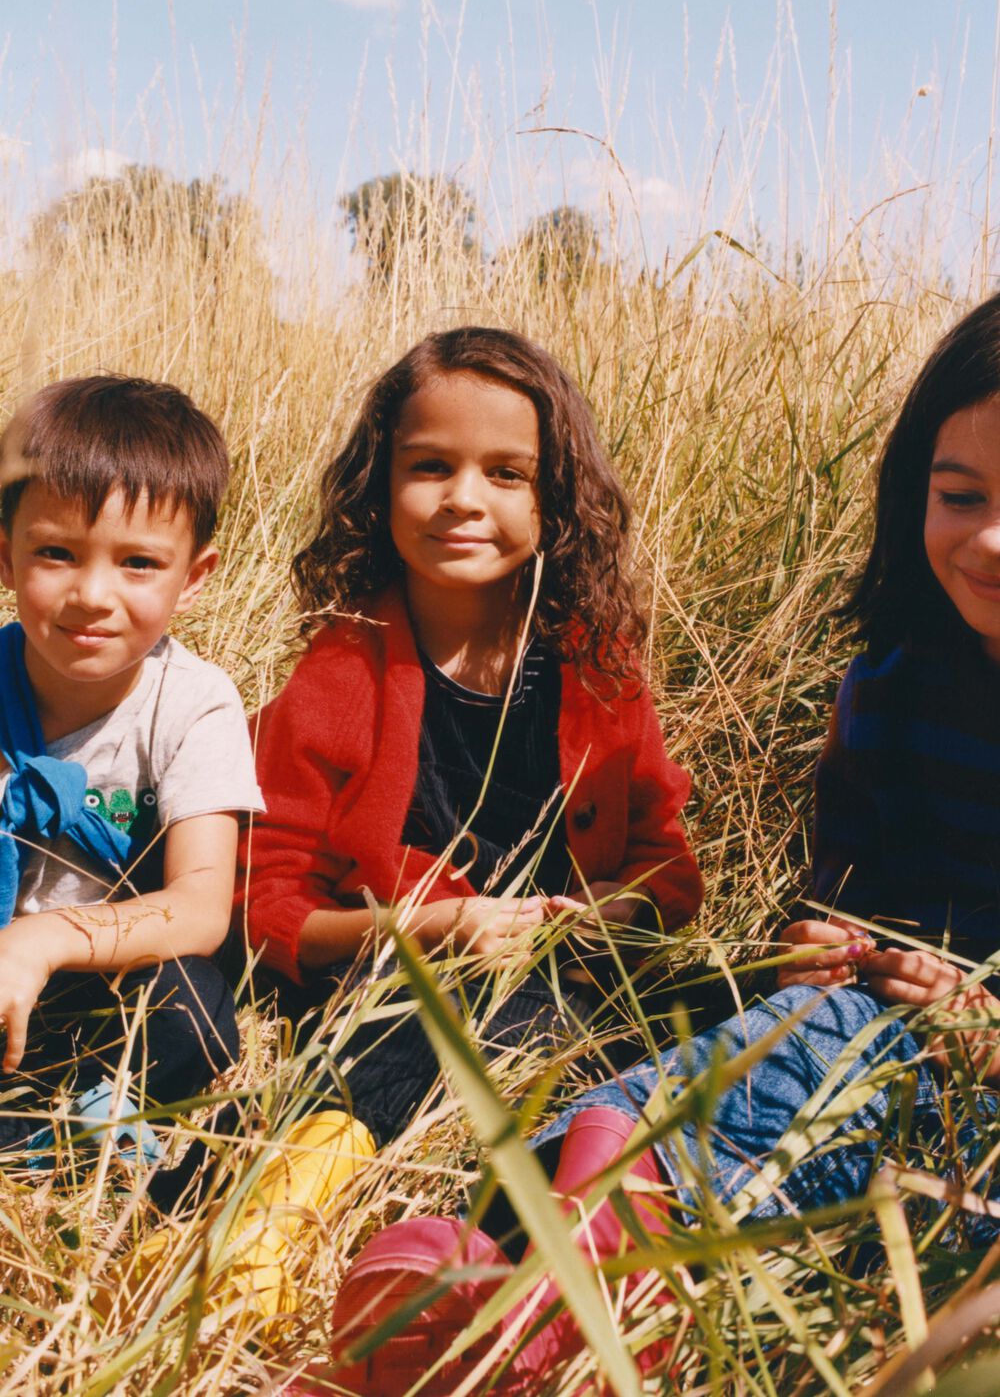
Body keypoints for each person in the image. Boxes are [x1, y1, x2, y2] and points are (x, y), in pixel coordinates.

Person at [328, 294, 1000, 1395]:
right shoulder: (892, 687)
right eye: (957, 494)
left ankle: (591, 1292)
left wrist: (978, 1024)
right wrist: (823, 941)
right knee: (738, 1053)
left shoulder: (585, 667)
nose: (986, 539)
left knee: (818, 1076)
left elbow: (657, 862)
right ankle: (529, 1255)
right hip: (884, 1012)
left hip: (959, 1064)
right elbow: (860, 898)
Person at [237, 326, 703, 1149]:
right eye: (429, 467)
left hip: (576, 983)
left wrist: (614, 908)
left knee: (754, 1014)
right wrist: (435, 930)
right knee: (428, 1025)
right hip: (404, 985)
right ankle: (289, 1199)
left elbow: (664, 861)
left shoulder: (597, 663)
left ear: (552, 500)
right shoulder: (343, 665)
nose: (463, 498)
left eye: (506, 474)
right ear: (379, 488)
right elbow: (264, 901)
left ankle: (603, 1190)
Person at [0, 375, 262, 1164]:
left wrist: (43, 939)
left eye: (139, 563)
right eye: (56, 552)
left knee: (196, 1013)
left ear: (195, 576)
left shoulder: (195, 704)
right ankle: (50, 1138)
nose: (92, 595)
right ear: (5, 555)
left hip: (107, 978)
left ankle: (83, 1123)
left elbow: (199, 907)